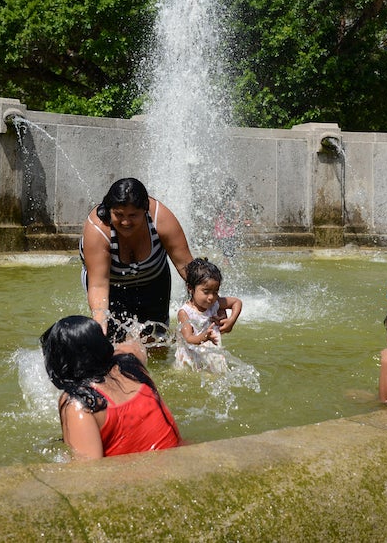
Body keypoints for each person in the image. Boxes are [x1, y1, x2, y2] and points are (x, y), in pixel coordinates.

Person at [40, 315, 181, 459]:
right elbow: (134, 345)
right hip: (179, 458)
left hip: (144, 476)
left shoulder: (79, 402)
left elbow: (87, 473)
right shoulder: (131, 364)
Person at [79, 177, 195, 341]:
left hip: (154, 281)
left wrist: (211, 302)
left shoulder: (159, 217)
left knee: (157, 339)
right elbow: (98, 285)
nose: (126, 222)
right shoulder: (98, 229)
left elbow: (186, 266)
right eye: (118, 215)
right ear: (109, 210)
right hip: (111, 287)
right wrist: (99, 324)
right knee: (115, 342)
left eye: (133, 215)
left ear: (145, 210)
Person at [174, 258, 243, 373]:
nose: (211, 297)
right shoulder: (185, 312)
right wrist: (204, 337)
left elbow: (237, 302)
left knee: (218, 374)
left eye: (215, 292)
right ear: (190, 288)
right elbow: (188, 338)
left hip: (210, 354)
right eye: (206, 292)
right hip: (191, 357)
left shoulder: (215, 303)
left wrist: (231, 321)